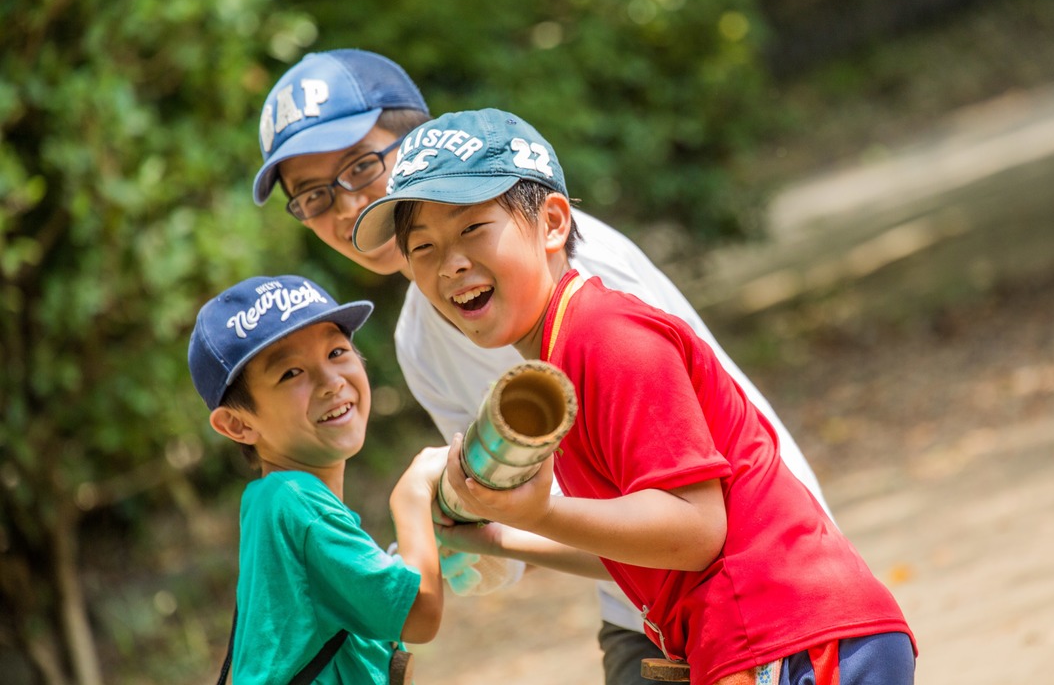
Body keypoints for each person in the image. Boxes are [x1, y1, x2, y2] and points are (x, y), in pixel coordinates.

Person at [251, 48, 835, 683]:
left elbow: (700, 517)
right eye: (311, 195)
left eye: (361, 166)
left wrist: (520, 518)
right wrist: (474, 533)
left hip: (761, 585)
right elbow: (541, 509)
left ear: (418, 141)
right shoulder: (422, 337)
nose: (342, 205)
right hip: (649, 602)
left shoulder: (573, 276)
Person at [353, 108, 918, 685]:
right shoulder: (562, 354)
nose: (450, 264)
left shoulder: (606, 336)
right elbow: (640, 550)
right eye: (422, 248)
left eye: (472, 229)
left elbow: (696, 533)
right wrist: (498, 534)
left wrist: (542, 510)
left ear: (552, 223)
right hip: (762, 635)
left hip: (794, 636)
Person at [187, 274, 445, 683]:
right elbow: (420, 614)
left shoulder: (268, 502)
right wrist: (413, 495)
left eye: (337, 351)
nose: (331, 381)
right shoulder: (296, 502)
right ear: (237, 424)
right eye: (291, 373)